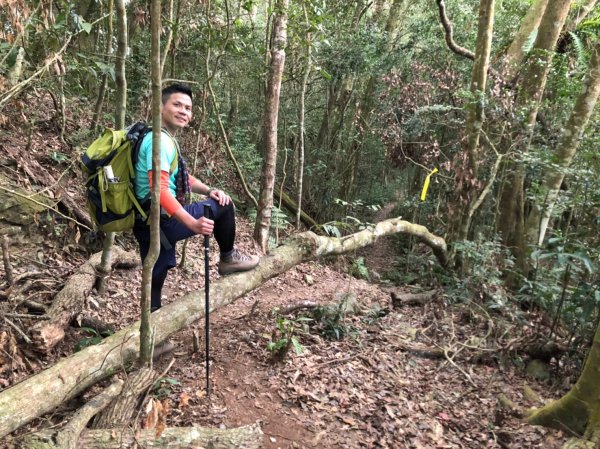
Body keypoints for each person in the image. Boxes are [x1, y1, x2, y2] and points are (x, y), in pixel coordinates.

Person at [133, 83, 259, 313]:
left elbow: (180, 176)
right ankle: (228, 258)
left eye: (188, 108)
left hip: (144, 219)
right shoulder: (159, 142)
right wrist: (192, 223)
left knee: (156, 272)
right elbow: (159, 189)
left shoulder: (156, 137)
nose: (183, 111)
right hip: (162, 218)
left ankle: (152, 335)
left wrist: (208, 190)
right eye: (177, 104)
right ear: (160, 107)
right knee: (224, 205)